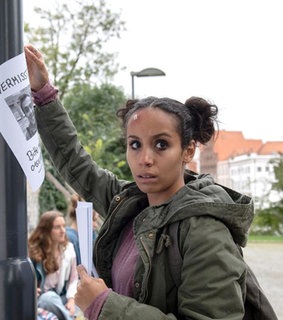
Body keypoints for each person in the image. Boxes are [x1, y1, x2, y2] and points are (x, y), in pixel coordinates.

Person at [24, 44, 254, 319]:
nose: (145, 158)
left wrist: (103, 305)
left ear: (188, 150)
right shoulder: (128, 204)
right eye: (135, 144)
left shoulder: (205, 232)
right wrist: (44, 94)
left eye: (161, 144)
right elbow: (76, 163)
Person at [28, 211, 79, 320]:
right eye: (57, 227)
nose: (63, 231)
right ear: (46, 231)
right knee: (49, 298)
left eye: (64, 226)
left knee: (81, 299)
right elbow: (23, 281)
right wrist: (30, 288)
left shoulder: (69, 249)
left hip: (62, 297)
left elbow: (74, 279)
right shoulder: (34, 252)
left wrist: (71, 300)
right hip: (41, 299)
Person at [65, 193, 100, 266]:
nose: (96, 225)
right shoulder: (70, 238)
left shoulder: (90, 235)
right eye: (93, 220)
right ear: (83, 217)